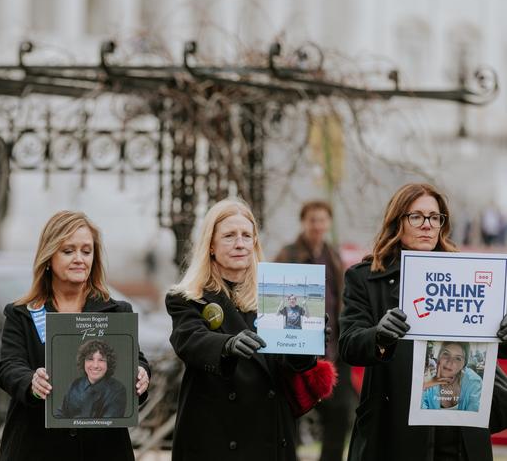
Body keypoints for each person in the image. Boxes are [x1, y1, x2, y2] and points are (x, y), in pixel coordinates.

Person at [339, 182, 507, 461]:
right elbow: (348, 346)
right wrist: (378, 336)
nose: (427, 225)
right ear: (397, 222)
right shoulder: (365, 278)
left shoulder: (468, 274)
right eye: (416, 216)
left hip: (460, 434)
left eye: (434, 217)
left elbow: (489, 350)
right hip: (394, 430)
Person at [166, 198, 320, 460]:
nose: (240, 243)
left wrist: (311, 339)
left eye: (246, 235)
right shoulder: (188, 296)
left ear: (254, 243)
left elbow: (291, 364)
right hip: (216, 434)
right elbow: (189, 340)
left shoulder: (279, 293)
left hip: (270, 432)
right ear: (211, 245)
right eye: (229, 236)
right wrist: (226, 346)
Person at [0, 210, 150, 461]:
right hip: (36, 446)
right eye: (68, 251)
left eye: (86, 251)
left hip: (103, 448)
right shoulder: (22, 313)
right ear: (48, 257)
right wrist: (31, 382)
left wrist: (142, 374)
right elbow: (8, 367)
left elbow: (136, 360)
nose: (79, 259)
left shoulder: (116, 311)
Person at [274, 199, 353, 461]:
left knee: (339, 413)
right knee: (292, 413)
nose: (317, 225)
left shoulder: (334, 255)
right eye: (312, 220)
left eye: (322, 220)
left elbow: (341, 297)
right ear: (303, 222)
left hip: (332, 349)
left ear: (328, 223)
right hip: (297, 347)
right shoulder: (287, 255)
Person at [57, 339, 127, 418]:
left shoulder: (117, 390)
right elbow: (60, 414)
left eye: (101, 360)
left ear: (108, 363)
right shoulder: (75, 385)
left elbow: (108, 424)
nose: (95, 365)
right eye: (90, 359)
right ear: (83, 362)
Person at [422, 342, 481, 412]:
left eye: (458, 358)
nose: (450, 362)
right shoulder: (428, 379)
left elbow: (474, 417)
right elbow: (418, 414)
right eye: (446, 354)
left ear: (464, 365)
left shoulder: (474, 382)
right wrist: (424, 386)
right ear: (439, 357)